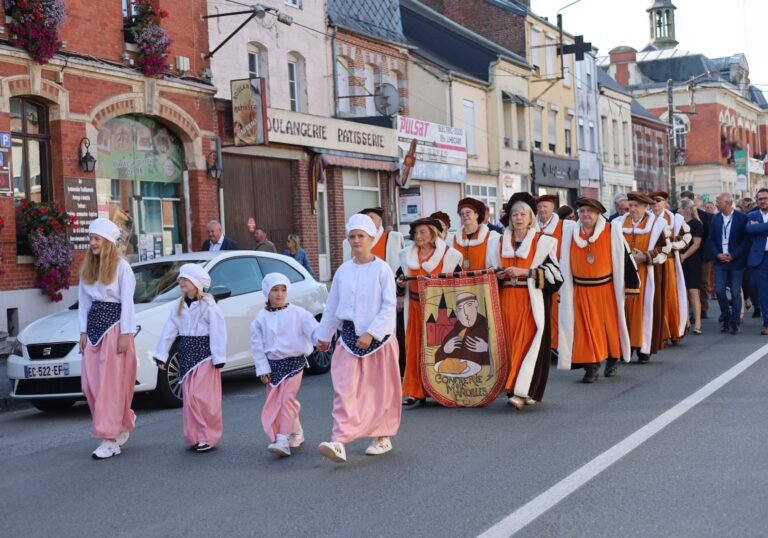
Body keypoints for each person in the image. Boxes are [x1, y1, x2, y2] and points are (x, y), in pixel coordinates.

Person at [315, 214, 402, 463]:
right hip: (348, 339)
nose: (356, 240)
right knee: (344, 390)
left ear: (371, 238)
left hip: (379, 341)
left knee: (379, 391)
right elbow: (332, 306)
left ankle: (382, 436)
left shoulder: (382, 269)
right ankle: (339, 440)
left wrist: (371, 333)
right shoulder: (343, 271)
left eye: (361, 236)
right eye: (352, 236)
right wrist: (324, 336)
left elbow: (388, 306)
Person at [488, 192, 562, 409]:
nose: (519, 218)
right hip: (505, 302)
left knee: (527, 344)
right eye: (515, 215)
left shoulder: (543, 243)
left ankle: (522, 392)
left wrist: (525, 272)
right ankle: (515, 388)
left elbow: (556, 276)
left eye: (523, 214)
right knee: (510, 346)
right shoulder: (497, 243)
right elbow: (488, 271)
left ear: (531, 218)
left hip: (530, 303)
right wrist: (497, 274)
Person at [558, 197, 639, 383]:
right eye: (582, 211)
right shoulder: (570, 232)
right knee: (585, 330)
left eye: (590, 211)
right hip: (580, 290)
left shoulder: (611, 230)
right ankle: (591, 368)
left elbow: (624, 256)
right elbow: (563, 261)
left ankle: (612, 359)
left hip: (606, 290)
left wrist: (632, 284)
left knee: (609, 328)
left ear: (598, 214)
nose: (585, 214)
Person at [78, 218, 137, 460]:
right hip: (94, 331)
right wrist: (83, 332)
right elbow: (83, 302)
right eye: (91, 238)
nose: (92, 243)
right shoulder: (88, 268)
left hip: (114, 329)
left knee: (109, 386)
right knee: (90, 385)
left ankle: (109, 439)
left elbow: (128, 302)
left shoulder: (122, 268)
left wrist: (126, 333)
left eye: (96, 239)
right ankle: (120, 423)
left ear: (108, 242)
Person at [154, 264, 227, 452]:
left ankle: (208, 436)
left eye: (185, 279)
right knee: (190, 398)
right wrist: (161, 355)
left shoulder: (209, 305)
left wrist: (218, 356)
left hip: (204, 358)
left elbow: (218, 331)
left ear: (196, 282)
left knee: (200, 397)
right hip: (186, 358)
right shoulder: (178, 306)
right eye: (180, 279)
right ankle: (195, 436)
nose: (181, 282)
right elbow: (169, 330)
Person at [251, 273, 319, 457]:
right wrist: (263, 370)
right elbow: (257, 347)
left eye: (283, 290)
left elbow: (314, 330)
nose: (279, 294)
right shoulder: (260, 318)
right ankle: (296, 431)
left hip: (294, 364)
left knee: (286, 400)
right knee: (277, 402)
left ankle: (282, 440)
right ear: (267, 292)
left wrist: (321, 340)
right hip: (272, 367)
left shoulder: (298, 313)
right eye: (275, 290)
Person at [398, 217, 463, 407]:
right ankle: (415, 391)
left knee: (442, 347)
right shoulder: (405, 255)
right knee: (414, 348)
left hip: (441, 309)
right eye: (416, 233)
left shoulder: (451, 255)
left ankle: (445, 390)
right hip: (415, 307)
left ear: (433, 234)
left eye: (422, 232)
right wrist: (400, 285)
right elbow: (398, 279)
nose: (418, 236)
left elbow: (459, 281)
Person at [619, 192, 668, 363]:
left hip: (647, 275)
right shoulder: (618, 223)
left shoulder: (657, 224)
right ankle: (624, 347)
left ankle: (643, 347)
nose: (632, 209)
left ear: (645, 207)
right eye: (630, 206)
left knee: (644, 310)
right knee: (623, 309)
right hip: (623, 275)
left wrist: (646, 256)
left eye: (636, 206)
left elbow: (665, 250)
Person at [535, 194, 575, 355]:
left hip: (558, 273)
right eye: (539, 207)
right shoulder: (531, 226)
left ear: (553, 208)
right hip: (537, 274)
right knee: (539, 310)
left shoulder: (565, 226)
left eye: (545, 206)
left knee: (557, 311)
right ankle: (543, 345)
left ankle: (556, 345)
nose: (542, 210)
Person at [650, 191, 690, 346]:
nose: (655, 203)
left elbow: (686, 236)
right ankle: (660, 334)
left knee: (671, 296)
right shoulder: (646, 219)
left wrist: (672, 245)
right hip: (651, 264)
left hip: (669, 263)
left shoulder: (675, 219)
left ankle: (674, 331)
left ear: (665, 202)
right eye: (652, 200)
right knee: (654, 298)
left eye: (658, 200)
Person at [709, 192, 749, 334]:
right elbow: (711, 239)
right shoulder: (715, 218)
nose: (716, 204)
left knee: (735, 292)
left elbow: (745, 240)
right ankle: (726, 317)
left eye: (718, 201)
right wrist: (717, 254)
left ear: (728, 203)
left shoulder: (742, 218)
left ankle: (735, 322)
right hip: (720, 261)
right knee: (719, 291)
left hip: (736, 261)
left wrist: (733, 255)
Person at [681, 191, 713, 321]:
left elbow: (708, 235)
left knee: (703, 282)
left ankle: (703, 308)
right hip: (685, 255)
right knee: (686, 285)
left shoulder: (704, 216)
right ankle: (688, 312)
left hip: (702, 253)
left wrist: (701, 250)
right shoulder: (678, 217)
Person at [342, 207, 404, 273]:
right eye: (366, 218)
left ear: (380, 221)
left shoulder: (390, 238)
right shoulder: (349, 243)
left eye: (371, 218)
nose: (356, 240)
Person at [447, 197, 500, 271]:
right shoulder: (452, 240)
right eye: (462, 214)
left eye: (468, 212)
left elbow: (498, 264)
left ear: (476, 215)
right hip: (460, 278)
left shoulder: (492, 238)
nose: (465, 215)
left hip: (484, 278)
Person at [678, 199, 704, 335]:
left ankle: (698, 322)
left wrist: (684, 255)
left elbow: (696, 244)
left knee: (693, 291)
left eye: (679, 208)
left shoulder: (696, 224)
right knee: (683, 292)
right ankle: (686, 320)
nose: (677, 210)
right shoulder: (678, 224)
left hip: (692, 260)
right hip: (680, 259)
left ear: (685, 209)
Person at [745, 188, 768, 335]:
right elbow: (749, 230)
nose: (763, 201)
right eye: (760, 199)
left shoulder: (755, 219)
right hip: (761, 259)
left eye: (765, 198)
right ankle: (767, 324)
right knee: (764, 293)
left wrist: (759, 228)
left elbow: (756, 230)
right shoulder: (751, 215)